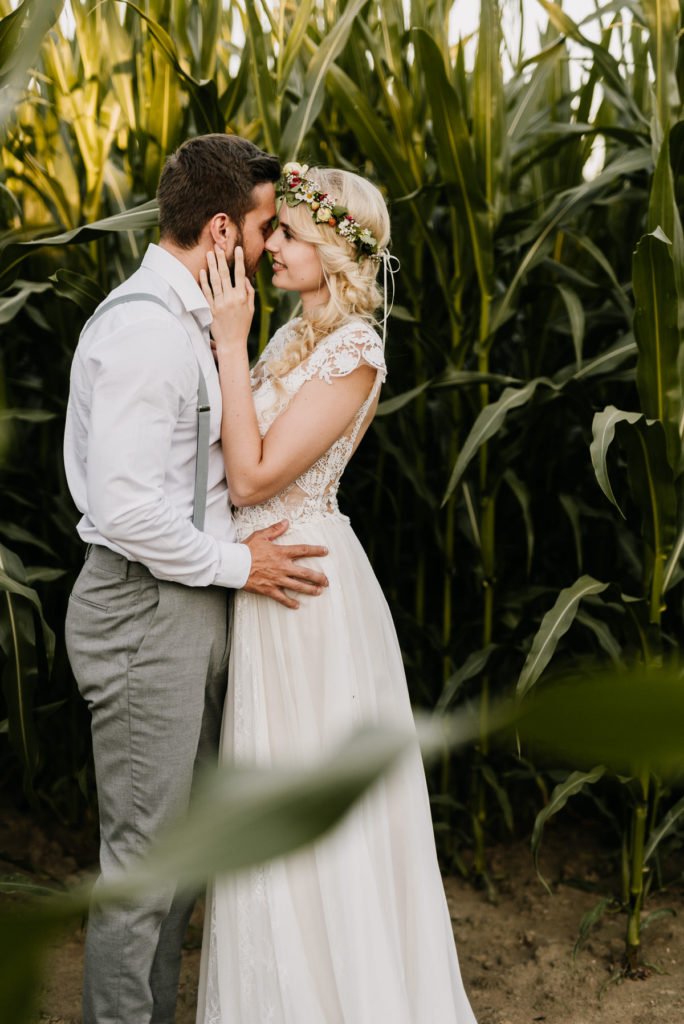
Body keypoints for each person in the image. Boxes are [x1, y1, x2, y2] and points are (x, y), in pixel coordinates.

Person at [195, 164, 477, 1022]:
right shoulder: (293, 338)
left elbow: (250, 477)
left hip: (308, 594)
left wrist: (229, 342)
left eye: (285, 233)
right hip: (266, 584)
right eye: (272, 230)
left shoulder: (355, 352)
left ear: (333, 247)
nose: (269, 244)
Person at [63, 135, 330, 1024]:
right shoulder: (143, 332)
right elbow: (131, 511)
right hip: (146, 608)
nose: (269, 245)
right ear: (221, 229)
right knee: (144, 866)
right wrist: (241, 565)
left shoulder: (202, 321)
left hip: (191, 603)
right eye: (262, 228)